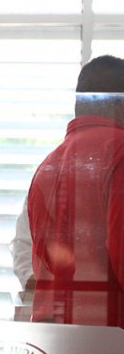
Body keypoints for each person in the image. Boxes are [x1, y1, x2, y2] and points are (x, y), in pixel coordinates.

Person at [27, 55, 124, 327]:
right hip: (110, 336)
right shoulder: (120, 152)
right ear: (120, 103)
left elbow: (45, 263)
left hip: (53, 337)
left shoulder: (48, 164)